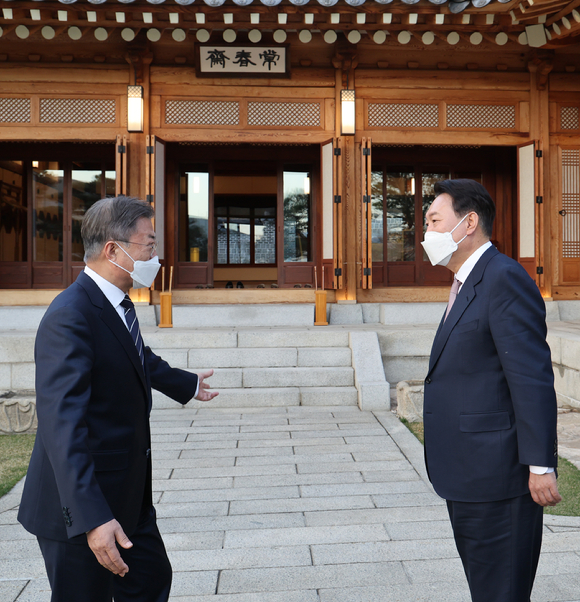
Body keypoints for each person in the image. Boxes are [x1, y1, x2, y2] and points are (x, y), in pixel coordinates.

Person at [18, 196, 218, 602]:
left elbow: (135, 355)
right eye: (149, 244)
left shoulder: (115, 303)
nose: (155, 255)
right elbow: (62, 428)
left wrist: (185, 383)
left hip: (128, 497)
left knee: (150, 580)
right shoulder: (71, 315)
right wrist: (93, 520)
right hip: (81, 509)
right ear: (114, 249)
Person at [422, 179, 561, 602]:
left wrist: (540, 464)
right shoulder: (466, 281)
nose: (426, 232)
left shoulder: (503, 278)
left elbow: (530, 376)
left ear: (468, 223)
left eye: (433, 220)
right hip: (467, 473)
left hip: (496, 476)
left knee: (501, 591)